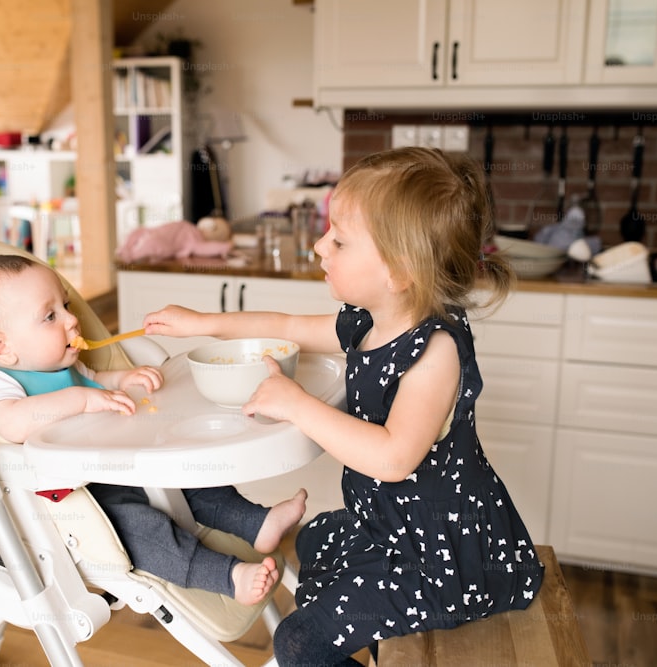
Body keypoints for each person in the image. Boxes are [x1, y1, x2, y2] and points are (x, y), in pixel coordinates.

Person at [143, 147, 545, 665]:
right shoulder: (370, 320)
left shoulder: (435, 350)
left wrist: (297, 403)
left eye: (339, 239)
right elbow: (286, 328)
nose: (318, 246)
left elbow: (394, 458)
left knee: (295, 642)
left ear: (399, 271)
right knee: (312, 539)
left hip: (435, 555)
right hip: (387, 525)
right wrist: (203, 322)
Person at [0, 254, 307, 605]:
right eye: (50, 316)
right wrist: (80, 400)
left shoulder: (63, 366)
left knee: (193, 481)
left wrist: (124, 379)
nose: (72, 320)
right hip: (82, 497)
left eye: (66, 305)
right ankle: (228, 576)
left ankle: (257, 522)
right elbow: (11, 422)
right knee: (142, 530)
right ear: (2, 347)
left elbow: (96, 384)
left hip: (124, 466)